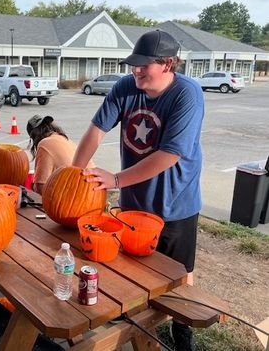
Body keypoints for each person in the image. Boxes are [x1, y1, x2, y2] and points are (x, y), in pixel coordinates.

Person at [72, 30, 204, 351]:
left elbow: (170, 154)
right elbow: (96, 130)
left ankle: (182, 334)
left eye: (144, 65)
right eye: (134, 64)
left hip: (175, 205)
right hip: (133, 205)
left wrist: (115, 180)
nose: (136, 71)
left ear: (168, 64)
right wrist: (74, 172)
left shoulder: (188, 94)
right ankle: (137, 321)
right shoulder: (126, 87)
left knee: (179, 278)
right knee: (134, 271)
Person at [26, 114, 94, 195]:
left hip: (78, 195)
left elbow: (40, 187)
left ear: (34, 136)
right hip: (93, 189)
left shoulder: (44, 144)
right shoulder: (66, 140)